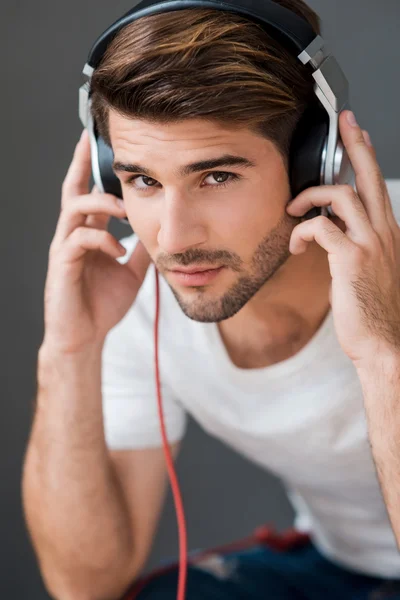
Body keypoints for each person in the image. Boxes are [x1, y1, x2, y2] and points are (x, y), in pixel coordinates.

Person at [22, 1, 400, 599]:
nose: (173, 239)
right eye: (143, 180)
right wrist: (70, 350)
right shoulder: (134, 293)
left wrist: (384, 352)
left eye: (217, 177)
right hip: (332, 569)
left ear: (314, 163)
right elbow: (85, 584)